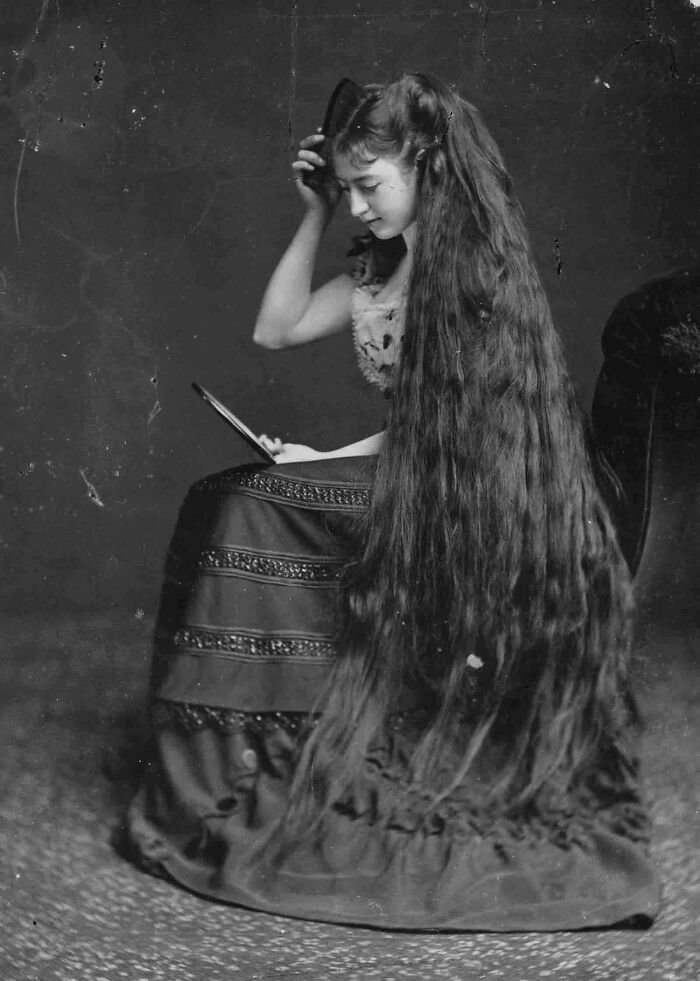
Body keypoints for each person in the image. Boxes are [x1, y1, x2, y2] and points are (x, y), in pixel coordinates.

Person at [125, 72, 662, 930]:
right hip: (406, 474)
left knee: (252, 503)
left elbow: (450, 438)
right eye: (346, 189)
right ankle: (238, 752)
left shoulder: (470, 279)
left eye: (369, 186)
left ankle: (267, 745)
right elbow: (275, 327)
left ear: (427, 165)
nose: (359, 206)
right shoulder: (382, 271)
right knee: (226, 495)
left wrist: (320, 459)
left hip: (471, 499)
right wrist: (313, 215)